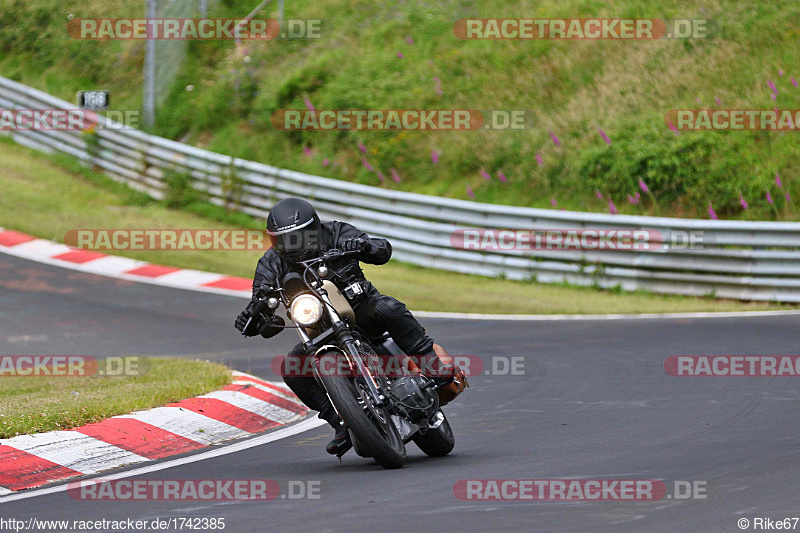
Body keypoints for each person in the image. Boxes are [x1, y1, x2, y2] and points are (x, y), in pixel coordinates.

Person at [235, 197, 446, 456]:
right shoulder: (270, 263)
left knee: (389, 308)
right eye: (283, 240)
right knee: (291, 367)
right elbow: (262, 311)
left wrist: (363, 246)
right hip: (317, 326)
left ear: (313, 230)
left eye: (298, 238)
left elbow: (383, 251)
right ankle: (341, 424)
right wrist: (254, 315)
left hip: (360, 308)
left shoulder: (335, 232)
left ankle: (432, 365)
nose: (291, 246)